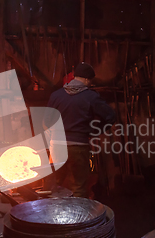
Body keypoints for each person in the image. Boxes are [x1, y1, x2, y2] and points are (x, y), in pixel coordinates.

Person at [44, 63, 116, 198]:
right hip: (79, 146)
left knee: (52, 187)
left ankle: (48, 217)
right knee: (78, 188)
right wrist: (94, 131)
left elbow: (46, 122)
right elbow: (110, 116)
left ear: (74, 77)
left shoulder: (56, 96)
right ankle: (78, 217)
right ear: (88, 80)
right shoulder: (91, 96)